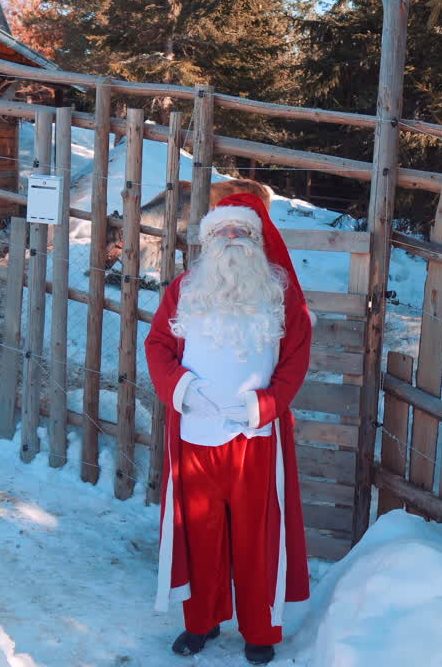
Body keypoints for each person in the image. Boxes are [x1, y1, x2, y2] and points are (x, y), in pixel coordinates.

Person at [145, 193, 313, 665]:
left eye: (242, 232)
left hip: (254, 440)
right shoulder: (185, 289)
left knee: (256, 537)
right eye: (223, 232)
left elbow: (296, 359)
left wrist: (266, 405)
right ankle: (201, 623)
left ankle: (260, 630)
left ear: (258, 241)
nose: (232, 240)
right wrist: (183, 389)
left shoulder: (280, 296)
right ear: (207, 241)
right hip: (196, 435)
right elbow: (158, 345)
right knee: (199, 532)